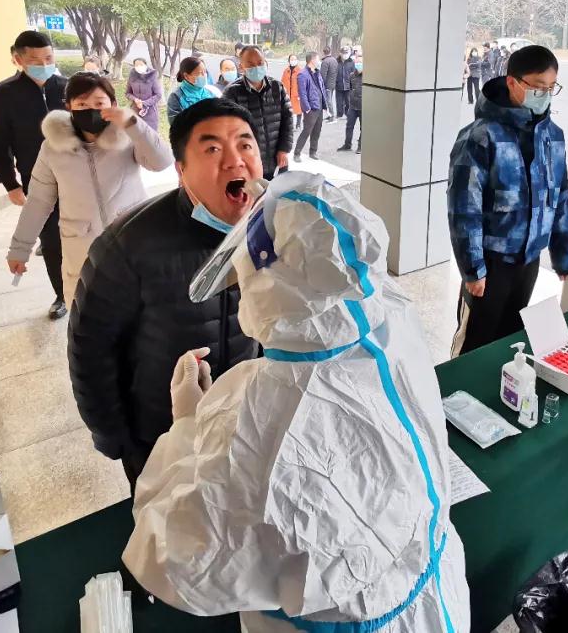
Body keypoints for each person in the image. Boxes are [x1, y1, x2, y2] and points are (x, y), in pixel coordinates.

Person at [122, 170, 470, 632]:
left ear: (266, 283)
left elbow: (173, 556)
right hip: (435, 604)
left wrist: (186, 425)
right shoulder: (393, 325)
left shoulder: (261, 412)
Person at [68, 98, 263, 488]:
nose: (234, 161)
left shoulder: (274, 228)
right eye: (212, 149)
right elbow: (91, 349)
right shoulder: (128, 245)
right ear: (180, 169)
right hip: (161, 440)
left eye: (245, 145)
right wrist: (116, 439)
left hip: (246, 424)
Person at [447, 45, 568, 356]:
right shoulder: (481, 136)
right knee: (475, 341)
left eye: (551, 88)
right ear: (512, 82)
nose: (545, 95)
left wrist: (563, 255)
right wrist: (473, 268)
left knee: (510, 339)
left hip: (528, 260)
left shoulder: (552, 136)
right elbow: (463, 208)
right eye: (538, 87)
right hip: (490, 262)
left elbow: (560, 197)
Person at [5, 72, 173, 305]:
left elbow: (162, 161)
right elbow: (38, 201)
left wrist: (133, 124)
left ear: (113, 104)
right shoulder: (52, 148)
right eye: (82, 104)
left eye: (99, 103)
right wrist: (20, 249)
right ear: (69, 107)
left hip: (132, 240)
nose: (91, 110)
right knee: (88, 314)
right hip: (81, 248)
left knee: (141, 310)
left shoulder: (128, 137)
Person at [0, 30, 69, 319]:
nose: (43, 64)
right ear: (18, 59)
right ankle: (63, 295)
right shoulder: (4, 95)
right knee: (53, 241)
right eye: (34, 60)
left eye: (48, 58)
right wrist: (10, 183)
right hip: (38, 182)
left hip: (76, 177)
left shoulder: (68, 88)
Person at [223, 45, 294, 178]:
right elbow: (228, 129)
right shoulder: (232, 93)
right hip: (248, 163)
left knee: (279, 190)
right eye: (250, 64)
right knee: (255, 192)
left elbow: (288, 119)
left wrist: (284, 149)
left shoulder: (276, 87)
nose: (256, 67)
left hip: (278, 159)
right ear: (241, 67)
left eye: (260, 63)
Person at [294, 51, 327, 162]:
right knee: (307, 131)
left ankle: (313, 151)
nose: (319, 61)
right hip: (311, 109)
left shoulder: (317, 72)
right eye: (317, 59)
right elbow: (302, 93)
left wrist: (325, 105)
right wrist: (307, 108)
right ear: (312, 60)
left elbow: (322, 89)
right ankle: (297, 153)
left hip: (319, 106)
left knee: (317, 130)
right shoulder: (302, 74)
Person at [166, 56, 216, 124]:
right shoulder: (176, 96)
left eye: (204, 72)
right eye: (200, 73)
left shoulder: (210, 93)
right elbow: (175, 124)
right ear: (186, 76)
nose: (204, 75)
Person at [125, 57, 163, 132]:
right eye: (136, 65)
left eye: (141, 65)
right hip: (135, 109)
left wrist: (144, 103)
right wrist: (135, 99)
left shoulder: (152, 77)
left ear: (145, 65)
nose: (139, 67)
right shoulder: (132, 77)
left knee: (149, 133)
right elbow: (128, 93)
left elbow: (158, 94)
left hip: (150, 111)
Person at [339, 53, 363, 153]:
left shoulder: (369, 76)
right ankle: (347, 145)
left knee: (363, 128)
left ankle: (360, 146)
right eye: (357, 62)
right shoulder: (352, 75)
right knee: (349, 126)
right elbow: (350, 89)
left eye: (360, 63)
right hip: (353, 106)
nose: (358, 64)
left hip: (363, 106)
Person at [281, 54, 303, 130]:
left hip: (296, 94)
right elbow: (282, 82)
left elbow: (302, 84)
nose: (293, 61)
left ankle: (298, 125)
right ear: (289, 61)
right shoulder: (286, 71)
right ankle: (290, 125)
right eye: (291, 59)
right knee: (289, 110)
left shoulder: (300, 71)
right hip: (288, 94)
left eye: (295, 59)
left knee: (298, 109)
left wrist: (301, 94)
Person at [319, 45, 339, 122]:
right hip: (333, 83)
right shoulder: (334, 60)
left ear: (323, 52)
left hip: (327, 84)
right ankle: (330, 115)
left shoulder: (325, 62)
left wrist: (321, 85)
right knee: (329, 100)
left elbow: (323, 75)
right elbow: (337, 71)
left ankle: (332, 116)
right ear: (330, 51)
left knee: (328, 101)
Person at [336, 46, 356, 120]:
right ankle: (339, 114)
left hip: (349, 85)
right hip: (339, 85)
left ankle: (348, 114)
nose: (345, 55)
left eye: (346, 53)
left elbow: (354, 74)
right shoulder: (336, 62)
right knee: (339, 101)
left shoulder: (351, 62)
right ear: (340, 53)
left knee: (348, 101)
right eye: (343, 53)